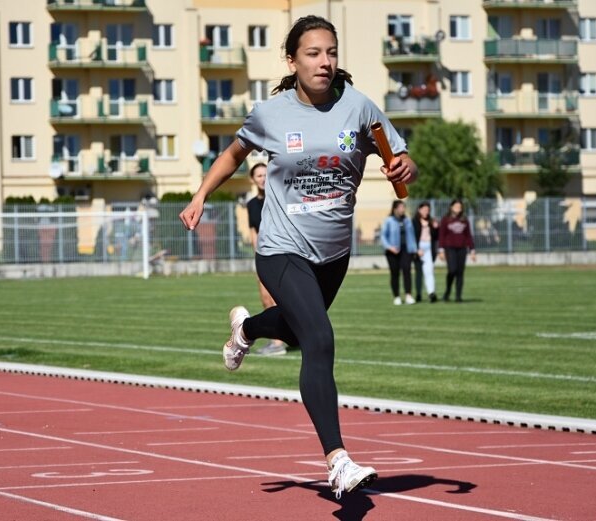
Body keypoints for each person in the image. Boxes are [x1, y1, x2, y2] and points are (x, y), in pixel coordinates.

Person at [179, 15, 417, 499]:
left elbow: (398, 162)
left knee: (292, 329)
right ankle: (338, 460)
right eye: (313, 53)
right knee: (319, 339)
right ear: (292, 60)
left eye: (331, 52)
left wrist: (406, 166)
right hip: (281, 248)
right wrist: (202, 193)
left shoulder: (360, 108)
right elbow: (233, 154)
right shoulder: (272, 114)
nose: (325, 62)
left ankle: (246, 329)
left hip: (334, 254)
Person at [246, 162, 287, 356]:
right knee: (265, 298)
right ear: (253, 179)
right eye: (259, 175)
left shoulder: (277, 199)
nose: (262, 178)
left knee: (279, 298)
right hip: (262, 257)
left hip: (280, 253)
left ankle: (278, 342)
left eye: (265, 175)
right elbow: (253, 231)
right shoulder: (251, 204)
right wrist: (257, 258)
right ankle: (279, 338)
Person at [438, 199, 476, 302]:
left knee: (460, 272)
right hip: (450, 248)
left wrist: (472, 250)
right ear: (451, 207)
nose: (458, 209)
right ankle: (448, 291)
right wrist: (441, 250)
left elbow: (468, 236)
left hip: (462, 248)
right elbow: (441, 235)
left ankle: (458, 296)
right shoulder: (445, 219)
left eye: (460, 207)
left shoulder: (464, 219)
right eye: (456, 206)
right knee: (452, 270)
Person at [380, 200, 417, 305]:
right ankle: (396, 296)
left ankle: (408, 295)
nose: (403, 209)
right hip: (392, 251)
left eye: (404, 207)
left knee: (407, 271)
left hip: (406, 250)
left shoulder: (407, 220)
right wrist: (389, 247)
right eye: (401, 207)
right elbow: (383, 236)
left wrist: (414, 249)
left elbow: (412, 235)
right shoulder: (389, 220)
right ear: (395, 209)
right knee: (395, 273)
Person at [412, 201, 439, 303]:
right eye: (424, 209)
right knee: (419, 273)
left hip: (429, 248)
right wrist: (416, 249)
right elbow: (412, 236)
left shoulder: (432, 221)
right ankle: (418, 293)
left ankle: (431, 293)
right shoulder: (414, 221)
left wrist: (436, 228)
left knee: (429, 271)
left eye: (427, 210)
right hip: (419, 248)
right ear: (419, 210)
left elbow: (436, 237)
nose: (426, 212)